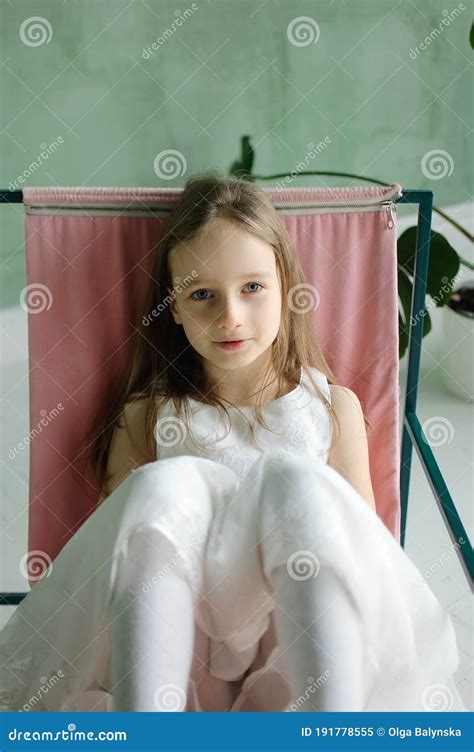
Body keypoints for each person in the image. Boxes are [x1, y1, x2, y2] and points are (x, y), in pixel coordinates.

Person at [0, 172, 466, 713]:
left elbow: (365, 551)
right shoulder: (147, 418)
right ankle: (151, 732)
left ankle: (332, 732)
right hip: (184, 672)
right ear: (172, 307)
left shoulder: (333, 410)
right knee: (166, 486)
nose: (230, 317)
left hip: (295, 670)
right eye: (201, 295)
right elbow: (116, 570)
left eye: (252, 288)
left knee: (296, 484)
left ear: (287, 287)